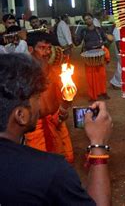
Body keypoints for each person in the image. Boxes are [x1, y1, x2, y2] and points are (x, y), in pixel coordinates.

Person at [0, 54, 112, 205]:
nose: (40, 105)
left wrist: (65, 104)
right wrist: (98, 144)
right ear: (21, 116)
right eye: (37, 98)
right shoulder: (48, 172)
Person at [24, 32, 74, 163]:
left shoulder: (56, 71)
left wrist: (64, 109)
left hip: (56, 121)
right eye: (42, 48)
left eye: (49, 48)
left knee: (65, 159)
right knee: (40, 165)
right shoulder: (23, 74)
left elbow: (64, 97)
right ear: (30, 49)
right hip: (35, 128)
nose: (47, 52)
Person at [75, 13, 110, 101]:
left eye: (89, 18)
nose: (88, 20)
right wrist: (74, 37)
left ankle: (103, 92)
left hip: (99, 55)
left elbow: (105, 40)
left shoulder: (99, 30)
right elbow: (77, 43)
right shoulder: (83, 31)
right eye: (86, 19)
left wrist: (104, 45)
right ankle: (92, 96)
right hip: (89, 56)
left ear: (92, 19)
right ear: (84, 21)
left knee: (101, 76)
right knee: (90, 77)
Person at [109, 25, 122, 90]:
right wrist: (121, 52)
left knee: (121, 67)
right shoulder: (118, 28)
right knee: (121, 67)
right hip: (121, 51)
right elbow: (118, 42)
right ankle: (115, 83)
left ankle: (116, 82)